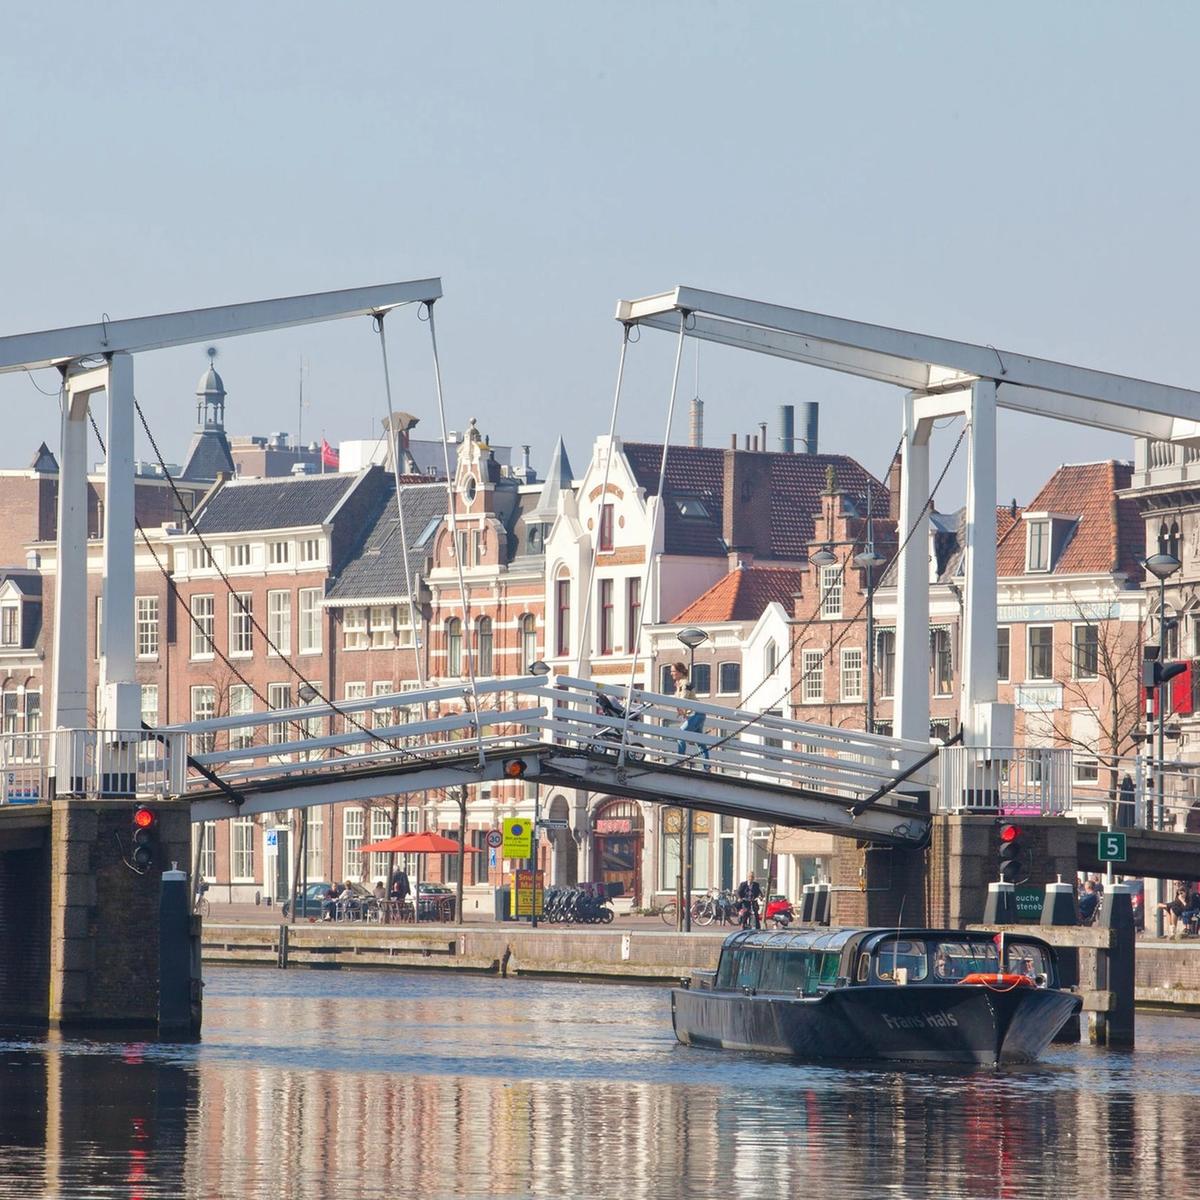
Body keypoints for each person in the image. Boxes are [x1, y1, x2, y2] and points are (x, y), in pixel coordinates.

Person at [670, 661, 709, 766]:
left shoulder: (685, 683)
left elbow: (683, 698)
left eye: (673, 671)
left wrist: (681, 708)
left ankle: (681, 761)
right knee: (700, 742)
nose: (671, 673)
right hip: (697, 714)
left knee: (681, 734)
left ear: (680, 672)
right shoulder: (680, 684)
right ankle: (707, 766)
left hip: (696, 714)